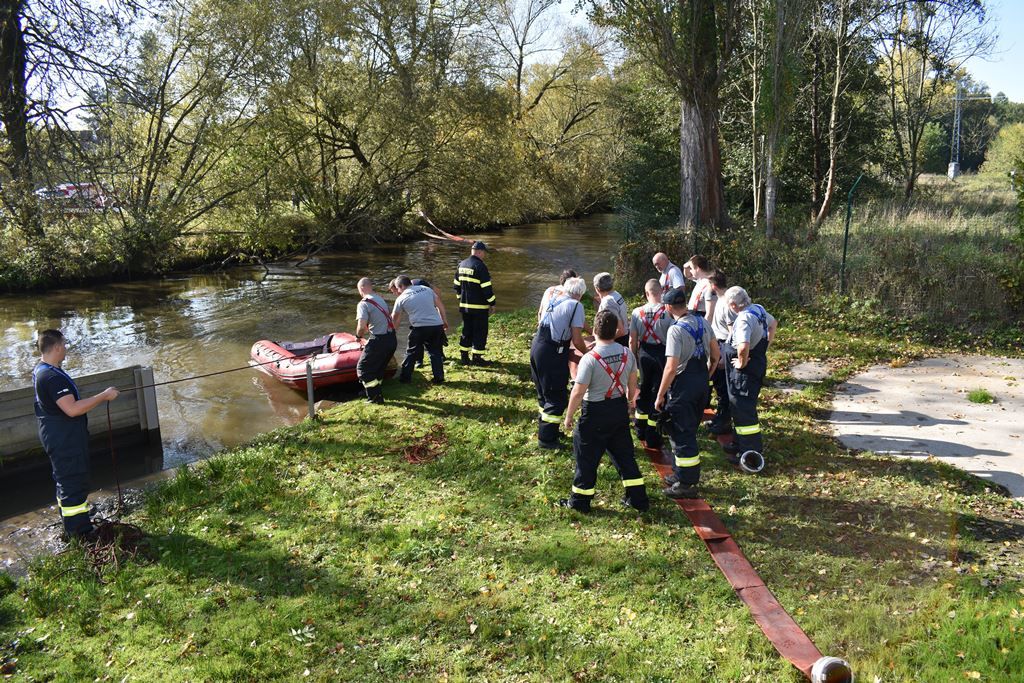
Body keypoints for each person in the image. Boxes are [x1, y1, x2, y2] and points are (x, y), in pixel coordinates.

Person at [32, 329, 119, 539]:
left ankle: (71, 523)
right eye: (64, 344)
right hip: (64, 440)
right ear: (57, 347)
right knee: (74, 482)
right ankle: (81, 533)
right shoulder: (52, 377)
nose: (66, 348)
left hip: (58, 435)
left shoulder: (42, 368)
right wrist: (104, 396)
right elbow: (72, 409)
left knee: (65, 480)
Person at [559, 311, 649, 513]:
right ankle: (638, 499)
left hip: (595, 413)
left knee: (586, 459)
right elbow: (633, 384)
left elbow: (578, 391)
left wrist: (568, 417)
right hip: (618, 409)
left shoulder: (590, 359)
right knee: (625, 456)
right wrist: (627, 403)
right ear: (616, 330)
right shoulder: (628, 353)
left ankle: (580, 502)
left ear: (595, 330)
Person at [655, 287, 720, 499]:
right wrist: (706, 375)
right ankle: (679, 473)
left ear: (667, 307)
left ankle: (688, 483)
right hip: (701, 381)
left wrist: (660, 394)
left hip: (683, 385)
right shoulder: (702, 322)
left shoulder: (675, 330)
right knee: (687, 428)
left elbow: (671, 367)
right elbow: (716, 354)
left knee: (681, 433)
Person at [720, 286, 777, 466]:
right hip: (757, 362)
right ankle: (738, 443)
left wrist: (741, 362)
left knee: (743, 408)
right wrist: (765, 346)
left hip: (744, 371)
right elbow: (773, 323)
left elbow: (743, 346)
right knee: (739, 407)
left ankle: (749, 452)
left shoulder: (744, 318)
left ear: (733, 305)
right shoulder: (758, 309)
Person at [530, 276, 588, 449]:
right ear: (580, 293)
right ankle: (547, 440)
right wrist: (589, 354)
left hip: (537, 346)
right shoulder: (576, 305)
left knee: (544, 393)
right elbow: (577, 340)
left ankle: (548, 428)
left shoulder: (555, 297)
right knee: (556, 396)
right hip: (552, 351)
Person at [629, 279, 673, 447]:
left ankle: (639, 427)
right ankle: (653, 435)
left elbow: (633, 339)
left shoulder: (636, 312)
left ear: (646, 293)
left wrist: (633, 358)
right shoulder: (668, 312)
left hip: (644, 354)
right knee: (658, 391)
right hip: (662, 353)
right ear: (661, 291)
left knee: (644, 388)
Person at [391, 276, 448, 384]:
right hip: (436, 325)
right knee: (435, 352)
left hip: (420, 328)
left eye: (398, 289)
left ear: (401, 286)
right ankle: (439, 377)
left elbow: (395, 317)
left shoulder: (401, 298)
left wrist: (393, 331)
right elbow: (440, 306)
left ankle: (405, 378)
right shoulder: (426, 289)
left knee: (411, 352)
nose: (398, 291)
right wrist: (444, 321)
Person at [354, 278, 398, 404]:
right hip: (391, 339)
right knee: (378, 368)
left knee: (363, 368)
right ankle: (373, 391)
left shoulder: (363, 303)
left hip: (379, 340)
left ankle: (374, 398)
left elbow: (362, 326)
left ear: (361, 288)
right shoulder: (379, 299)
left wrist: (358, 336)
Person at [453, 241, 496, 365]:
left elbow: (456, 285)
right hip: (479, 307)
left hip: (465, 307)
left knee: (466, 330)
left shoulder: (461, 264)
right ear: (480, 252)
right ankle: (477, 358)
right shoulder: (480, 266)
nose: (484, 256)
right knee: (480, 331)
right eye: (484, 253)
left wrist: (461, 299)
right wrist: (492, 303)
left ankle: (464, 357)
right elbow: (487, 288)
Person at [707, 270, 736, 435]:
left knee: (724, 387)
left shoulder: (726, 303)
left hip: (724, 345)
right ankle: (721, 416)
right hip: (718, 344)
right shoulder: (720, 300)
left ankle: (725, 421)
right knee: (718, 385)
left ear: (714, 285)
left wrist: (725, 355)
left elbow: (733, 331)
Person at [592, 272, 629, 347]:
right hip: (623, 339)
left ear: (597, 288)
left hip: (617, 342)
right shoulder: (616, 294)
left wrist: (600, 342)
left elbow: (620, 330)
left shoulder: (608, 302)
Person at [684, 254, 717, 324]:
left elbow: (710, 314)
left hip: (701, 321)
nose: (690, 271)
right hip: (693, 318)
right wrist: (687, 264)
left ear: (698, 268)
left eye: (691, 268)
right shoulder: (700, 281)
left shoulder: (709, 284)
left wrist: (705, 331)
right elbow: (687, 275)